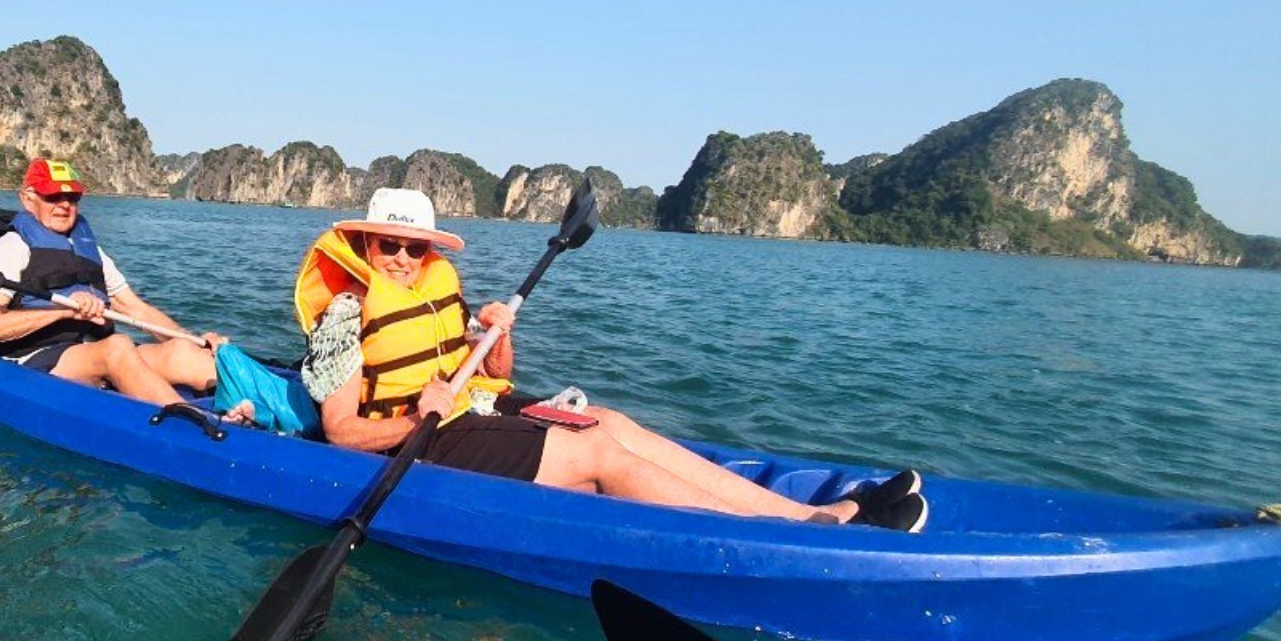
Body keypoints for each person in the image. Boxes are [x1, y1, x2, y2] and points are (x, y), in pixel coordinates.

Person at [293, 188, 927, 531]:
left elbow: (493, 375)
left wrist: (497, 332)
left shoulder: (436, 288)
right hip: (419, 440)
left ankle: (809, 515)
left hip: (468, 411)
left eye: (416, 247)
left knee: (611, 423)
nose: (404, 259)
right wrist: (414, 419)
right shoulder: (346, 314)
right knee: (595, 454)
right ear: (365, 242)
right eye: (390, 244)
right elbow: (340, 431)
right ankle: (801, 538)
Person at [0, 159, 245, 415]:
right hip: (32, 357)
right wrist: (63, 310)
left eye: (72, 198)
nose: (64, 205)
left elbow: (136, 309)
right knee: (117, 346)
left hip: (90, 350)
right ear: (28, 198)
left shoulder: (90, 250)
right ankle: (199, 425)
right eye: (53, 196)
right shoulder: (10, 248)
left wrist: (196, 341)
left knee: (181, 352)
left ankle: (255, 408)